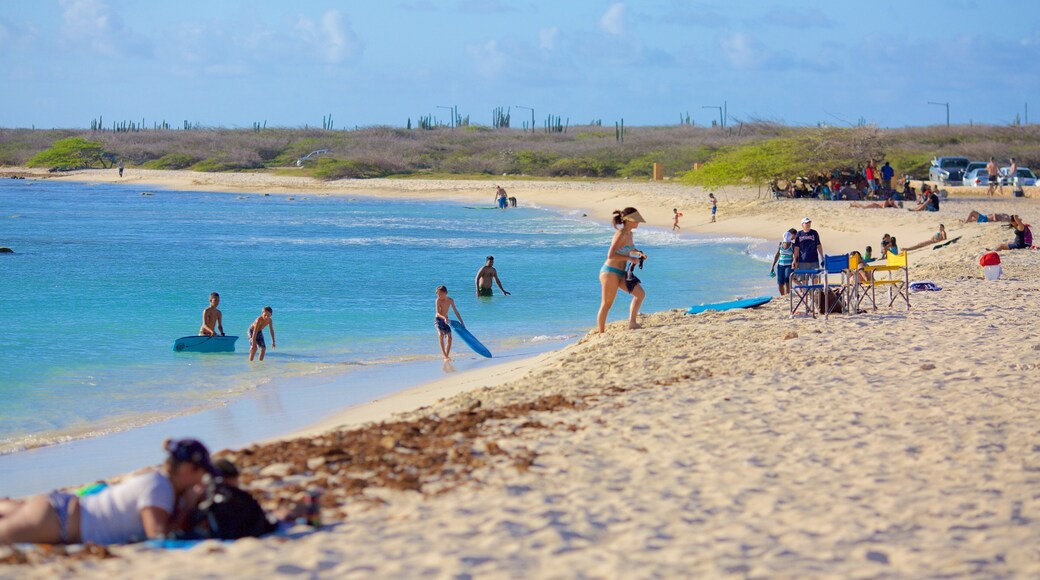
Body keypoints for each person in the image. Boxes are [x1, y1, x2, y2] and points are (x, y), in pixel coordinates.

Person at [0, 438, 214, 545]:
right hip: (58, 522)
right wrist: (188, 504)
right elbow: (158, 537)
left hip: (60, 509)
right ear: (187, 469)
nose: (202, 480)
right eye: (202, 473)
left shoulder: (156, 478)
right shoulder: (159, 489)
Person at [596, 208, 647, 333]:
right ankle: (601, 332)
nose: (638, 223)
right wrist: (629, 258)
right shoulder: (620, 234)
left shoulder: (630, 234)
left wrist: (638, 253)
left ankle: (632, 323)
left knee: (640, 294)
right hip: (610, 272)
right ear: (629, 220)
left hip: (621, 272)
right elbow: (611, 254)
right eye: (636, 220)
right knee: (607, 304)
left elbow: (630, 248)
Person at [434, 285, 463, 361]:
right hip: (438, 320)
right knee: (440, 334)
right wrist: (444, 318)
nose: (439, 296)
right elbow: (437, 313)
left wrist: (461, 322)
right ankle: (445, 355)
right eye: (438, 294)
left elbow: (456, 312)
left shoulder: (450, 300)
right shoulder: (438, 300)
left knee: (449, 337)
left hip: (446, 320)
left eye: (440, 294)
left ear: (445, 293)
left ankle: (446, 355)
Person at [769, 229, 797, 296]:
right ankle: (783, 296)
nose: (787, 242)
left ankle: (787, 295)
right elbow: (776, 256)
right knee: (780, 283)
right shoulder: (780, 245)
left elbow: (796, 256)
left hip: (789, 265)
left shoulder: (793, 245)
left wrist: (795, 266)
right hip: (780, 265)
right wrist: (772, 267)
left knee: (787, 280)